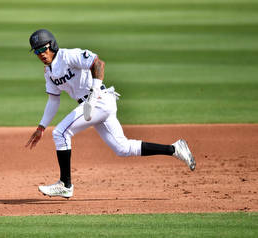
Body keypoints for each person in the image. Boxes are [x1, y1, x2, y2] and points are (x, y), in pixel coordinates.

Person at [25, 29, 196, 199]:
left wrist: (93, 94)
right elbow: (54, 100)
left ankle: (65, 184)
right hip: (93, 106)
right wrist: (41, 127)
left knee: (61, 133)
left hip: (99, 100)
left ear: (52, 45)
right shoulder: (49, 72)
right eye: (37, 51)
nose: (41, 54)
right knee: (122, 148)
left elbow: (98, 64)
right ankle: (175, 149)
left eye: (43, 48)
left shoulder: (68, 56)